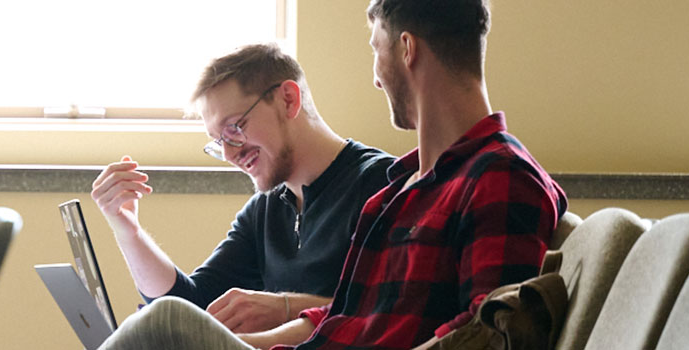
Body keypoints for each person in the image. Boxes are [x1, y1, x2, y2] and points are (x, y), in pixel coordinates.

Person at [98, 1, 569, 349]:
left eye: (375, 51)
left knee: (162, 330)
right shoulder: (407, 187)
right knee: (167, 329)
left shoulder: (498, 175)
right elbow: (355, 315)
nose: (375, 78)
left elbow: (489, 335)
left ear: (406, 49)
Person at [90, 42, 395, 336]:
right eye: (218, 141)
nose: (229, 154)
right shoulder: (265, 209)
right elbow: (189, 307)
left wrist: (286, 308)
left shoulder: (384, 184)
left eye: (234, 127)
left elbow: (390, 312)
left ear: (288, 99)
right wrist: (128, 232)